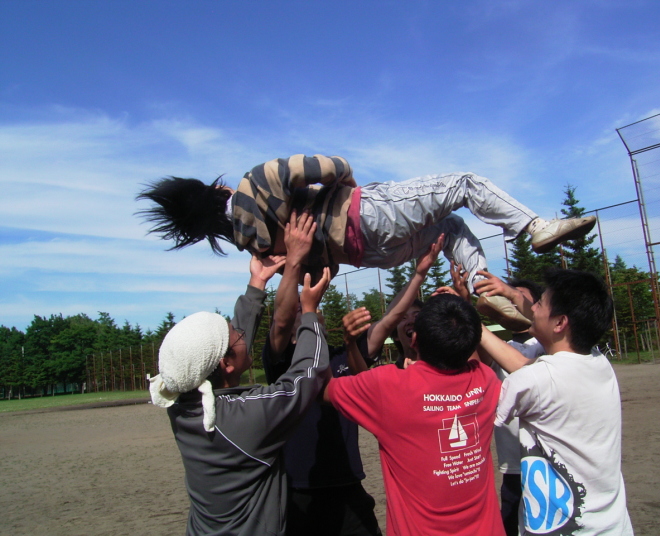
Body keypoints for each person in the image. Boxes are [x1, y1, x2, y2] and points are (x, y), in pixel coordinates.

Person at [137, 154, 596, 326]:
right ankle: (534, 227)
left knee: (451, 229)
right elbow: (329, 165)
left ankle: (483, 287)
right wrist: (347, 184)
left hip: (369, 254)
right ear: (213, 190)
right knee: (464, 184)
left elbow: (321, 271)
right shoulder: (253, 183)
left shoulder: (255, 245)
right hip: (366, 214)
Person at [149, 252, 333, 536]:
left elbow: (223, 348)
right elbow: (306, 377)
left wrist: (257, 283)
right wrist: (309, 313)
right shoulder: (241, 419)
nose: (240, 332)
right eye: (233, 333)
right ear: (226, 364)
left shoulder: (183, 401)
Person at [324, 294, 505, 536]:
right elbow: (471, 353)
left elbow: (324, 389)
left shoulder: (389, 386)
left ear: (416, 339)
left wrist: (317, 327)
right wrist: (463, 305)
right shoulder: (485, 379)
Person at [477, 268, 634, 536]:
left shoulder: (533, 380)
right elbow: (527, 364)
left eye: (539, 304)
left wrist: (469, 319)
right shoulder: (598, 362)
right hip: (612, 527)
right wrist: (511, 294)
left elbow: (520, 377)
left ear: (560, 322)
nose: (532, 309)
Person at [260, 210, 382, 536]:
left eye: (312, 316)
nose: (307, 316)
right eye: (301, 317)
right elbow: (282, 320)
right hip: (299, 490)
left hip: (347, 484)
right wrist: (293, 261)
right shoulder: (282, 364)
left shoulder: (340, 356)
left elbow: (385, 326)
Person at [473, 272, 545, 536]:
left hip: (547, 462)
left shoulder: (549, 346)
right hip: (513, 465)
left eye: (520, 297)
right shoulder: (500, 346)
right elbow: (479, 355)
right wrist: (464, 301)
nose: (512, 301)